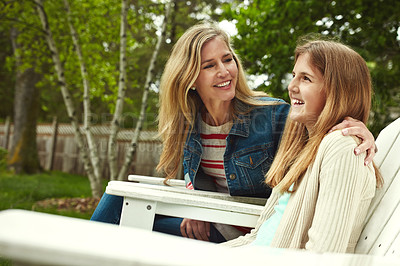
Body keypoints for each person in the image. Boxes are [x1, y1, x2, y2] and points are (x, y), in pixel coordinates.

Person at [91, 22, 377, 244]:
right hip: (210, 220)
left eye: (227, 60)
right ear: (189, 78)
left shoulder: (273, 115)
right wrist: (194, 204)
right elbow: (195, 174)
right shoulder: (189, 122)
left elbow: (321, 141)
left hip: (249, 230)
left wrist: (363, 132)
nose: (224, 71)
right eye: (209, 65)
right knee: (118, 202)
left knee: (122, 216)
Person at [223, 38, 383, 253]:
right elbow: (258, 237)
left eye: (306, 78)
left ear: (337, 91)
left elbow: (322, 255)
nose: (291, 87)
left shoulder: (343, 148)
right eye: (293, 76)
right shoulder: (303, 148)